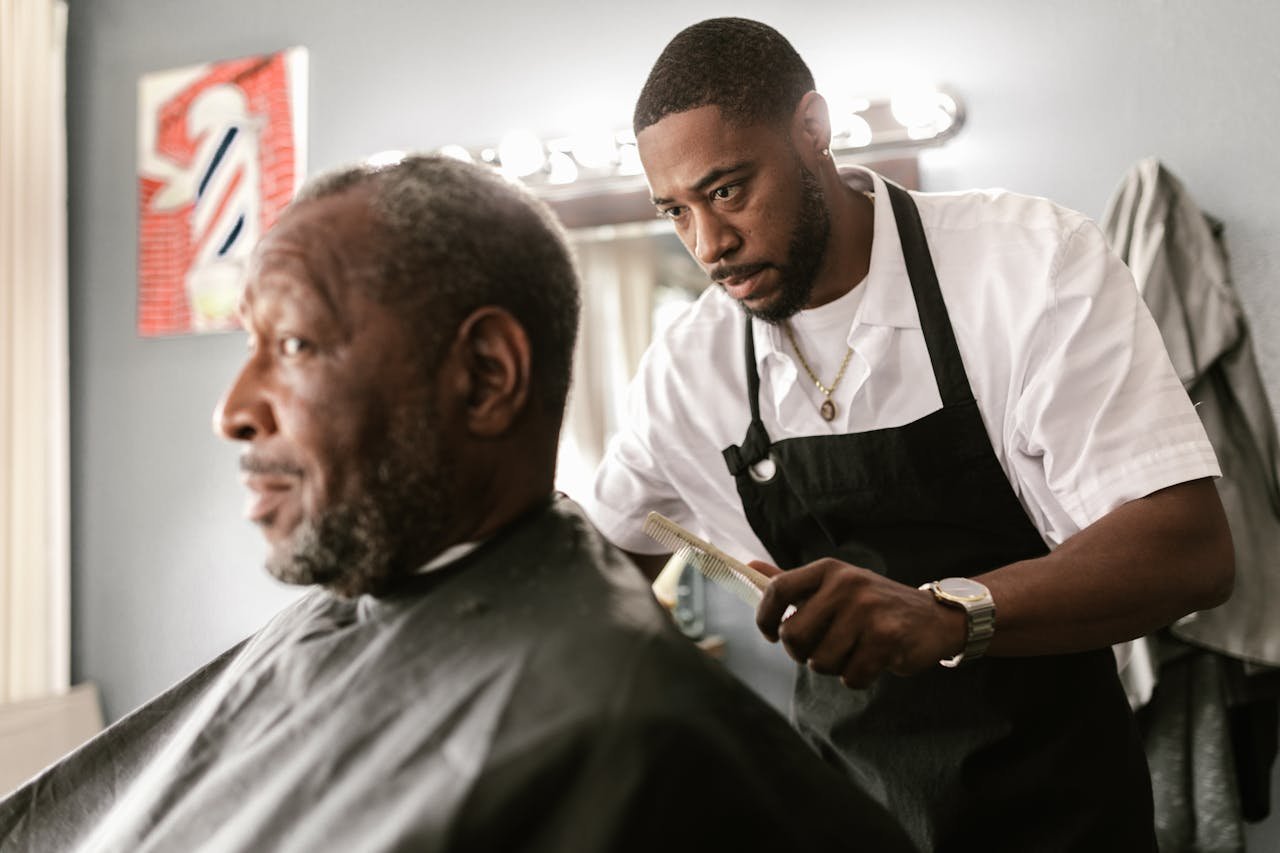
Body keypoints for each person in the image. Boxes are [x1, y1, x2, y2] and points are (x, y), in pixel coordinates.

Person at [0, 156, 917, 852]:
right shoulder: (343, 618)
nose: (232, 411)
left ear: (485, 377)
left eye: (295, 345)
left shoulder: (624, 730)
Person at [583, 17, 1236, 853]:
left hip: (1064, 816)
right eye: (675, 211)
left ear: (812, 131)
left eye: (728, 190)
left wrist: (949, 614)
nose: (709, 246)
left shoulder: (1027, 264)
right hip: (844, 816)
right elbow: (598, 574)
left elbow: (1189, 548)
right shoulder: (690, 366)